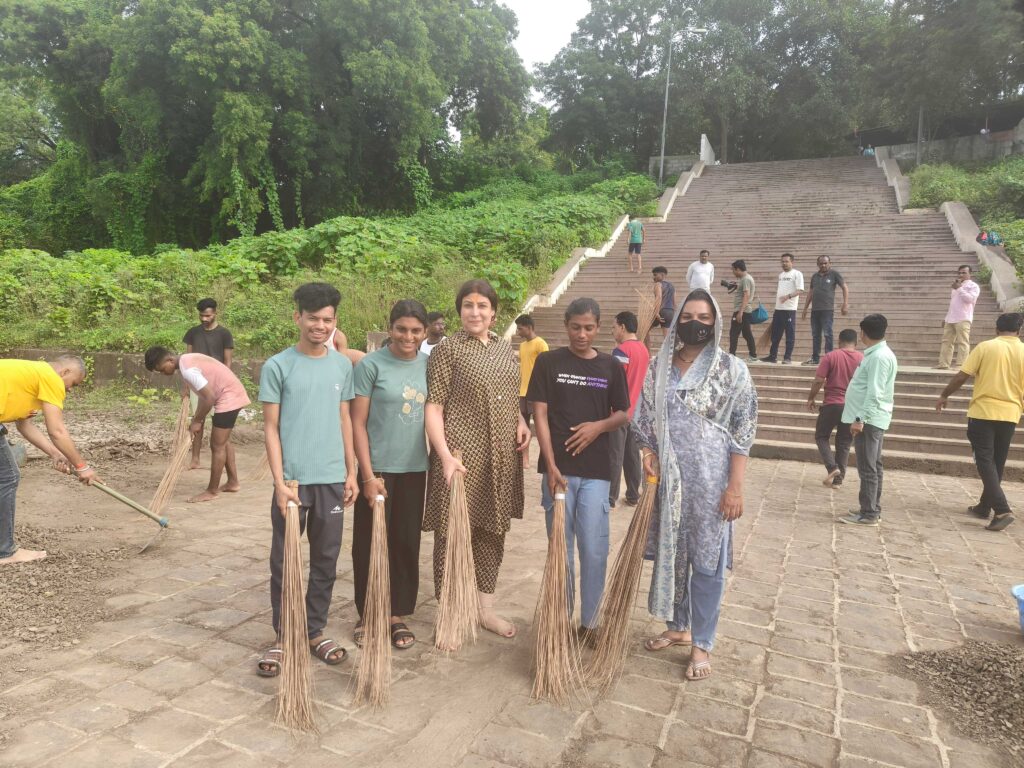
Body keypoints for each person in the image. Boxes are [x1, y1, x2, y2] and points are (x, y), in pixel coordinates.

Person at [634, 289, 758, 681]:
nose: (695, 324)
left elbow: (743, 431)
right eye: (687, 317)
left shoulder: (732, 370)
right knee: (673, 556)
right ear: (676, 322)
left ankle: (701, 643)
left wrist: (734, 487)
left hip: (711, 484)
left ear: (716, 323)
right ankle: (678, 626)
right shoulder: (659, 367)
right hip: (670, 483)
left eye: (704, 318)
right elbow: (644, 420)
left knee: (706, 564)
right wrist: (647, 451)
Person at [256, 282, 357, 676]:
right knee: (285, 561)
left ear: (335, 321)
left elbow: (345, 419)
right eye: (313, 318)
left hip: (332, 478)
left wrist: (351, 471)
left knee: (326, 559)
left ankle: (314, 632)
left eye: (327, 320)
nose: (320, 326)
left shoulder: (342, 365)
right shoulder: (278, 366)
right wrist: (279, 482)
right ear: (297, 317)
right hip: (293, 483)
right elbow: (270, 427)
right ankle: (284, 636)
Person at [425, 279, 530, 640]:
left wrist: (520, 421)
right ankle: (451, 614)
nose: (475, 312)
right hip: (460, 458)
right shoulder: (448, 350)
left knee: (491, 531)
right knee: (453, 534)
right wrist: (444, 457)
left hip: (499, 457)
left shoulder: (503, 347)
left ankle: (484, 610)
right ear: (459, 311)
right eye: (468, 305)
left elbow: (508, 395)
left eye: (482, 306)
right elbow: (434, 407)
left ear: (493, 312)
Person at [528, 298, 630, 645]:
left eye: (588, 328)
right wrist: (550, 464)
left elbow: (623, 413)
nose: (581, 334)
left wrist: (598, 427)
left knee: (593, 549)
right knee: (560, 550)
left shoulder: (610, 366)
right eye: (575, 327)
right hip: (558, 472)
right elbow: (540, 414)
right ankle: (561, 619)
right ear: (566, 325)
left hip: (596, 471)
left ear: (598, 327)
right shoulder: (548, 362)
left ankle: (591, 623)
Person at [351, 300, 430, 649]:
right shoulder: (370, 365)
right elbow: (356, 423)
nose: (407, 337)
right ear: (390, 328)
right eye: (401, 329)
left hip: (415, 467)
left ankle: (396, 613)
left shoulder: (430, 365)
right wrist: (367, 476)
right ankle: (369, 612)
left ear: (424, 332)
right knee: (369, 543)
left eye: (415, 331)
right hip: (378, 469)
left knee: (405, 542)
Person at [0, 356, 100, 565]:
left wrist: (55, 453)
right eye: (73, 384)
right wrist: (83, 466)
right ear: (65, 372)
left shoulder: (30, 379)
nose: (70, 390)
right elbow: (57, 431)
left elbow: (24, 425)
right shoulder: (51, 378)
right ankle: (5, 551)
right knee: (7, 477)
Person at [936, 313, 1024, 532]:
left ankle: (1002, 510)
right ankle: (985, 506)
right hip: (1010, 413)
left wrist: (944, 394)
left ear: (996, 329)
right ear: (1019, 331)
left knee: (984, 460)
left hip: (983, 412)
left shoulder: (986, 347)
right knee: (997, 462)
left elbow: (962, 375)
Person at [144, 347, 250, 503]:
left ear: (170, 360)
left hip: (229, 397)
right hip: (229, 393)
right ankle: (233, 482)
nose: (163, 373)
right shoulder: (187, 361)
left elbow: (210, 397)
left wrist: (197, 421)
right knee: (223, 442)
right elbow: (204, 395)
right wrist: (197, 418)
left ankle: (212, 491)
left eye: (162, 369)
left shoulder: (188, 370)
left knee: (217, 445)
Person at [840, 314, 897, 526]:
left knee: (868, 467)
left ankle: (869, 512)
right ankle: (871, 506)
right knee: (873, 465)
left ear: (863, 333)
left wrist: (859, 419)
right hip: (872, 418)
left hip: (869, 419)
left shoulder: (879, 357)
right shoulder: (878, 354)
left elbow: (874, 393)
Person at [805, 329, 863, 488]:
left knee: (821, 436)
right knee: (844, 443)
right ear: (856, 343)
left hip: (832, 404)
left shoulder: (831, 356)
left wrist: (811, 398)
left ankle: (832, 468)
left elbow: (819, 380)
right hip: (851, 407)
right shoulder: (862, 359)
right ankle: (838, 480)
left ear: (839, 341)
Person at [182, 298, 234, 470]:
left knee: (220, 424)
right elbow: (187, 360)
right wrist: (186, 386)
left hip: (217, 383)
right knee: (198, 420)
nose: (204, 319)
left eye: (208, 315)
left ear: (215, 313)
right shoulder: (193, 333)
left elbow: (227, 361)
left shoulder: (224, 334)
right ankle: (195, 459)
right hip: (197, 383)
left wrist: (224, 383)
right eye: (201, 315)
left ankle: (221, 462)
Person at [608, 310, 650, 507]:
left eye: (614, 327)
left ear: (622, 327)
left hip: (619, 412)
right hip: (636, 412)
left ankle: (610, 497)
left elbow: (614, 382)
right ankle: (633, 495)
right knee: (632, 455)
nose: (613, 331)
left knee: (614, 455)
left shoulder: (621, 351)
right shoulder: (643, 349)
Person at [801, 255, 849, 365]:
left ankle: (829, 358)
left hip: (827, 310)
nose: (823, 265)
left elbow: (845, 287)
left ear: (829, 263)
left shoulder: (834, 274)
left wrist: (845, 304)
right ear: (817, 264)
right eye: (821, 263)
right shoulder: (814, 276)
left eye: (825, 263)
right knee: (815, 335)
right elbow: (811, 292)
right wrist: (805, 308)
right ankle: (815, 358)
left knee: (828, 334)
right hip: (815, 310)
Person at [515, 314, 549, 467]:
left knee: (541, 425)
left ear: (529, 328)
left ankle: (546, 457)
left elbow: (546, 370)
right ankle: (525, 458)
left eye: (520, 328)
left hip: (536, 392)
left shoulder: (541, 344)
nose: (518, 332)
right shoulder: (522, 346)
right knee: (523, 427)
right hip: (522, 391)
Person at [936, 265, 980, 370]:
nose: (961, 275)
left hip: (963, 317)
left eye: (964, 272)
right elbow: (953, 303)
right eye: (959, 273)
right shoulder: (956, 286)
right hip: (951, 318)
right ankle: (943, 364)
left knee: (963, 342)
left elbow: (970, 299)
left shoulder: (973, 286)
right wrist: (946, 318)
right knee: (946, 341)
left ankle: (961, 365)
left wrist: (959, 288)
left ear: (970, 274)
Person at [763, 253, 804, 364]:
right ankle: (772, 356)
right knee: (775, 334)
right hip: (778, 309)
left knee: (789, 334)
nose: (784, 263)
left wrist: (787, 297)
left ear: (792, 262)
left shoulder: (797, 274)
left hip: (789, 310)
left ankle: (787, 357)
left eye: (786, 261)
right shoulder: (781, 275)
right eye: (782, 261)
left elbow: (800, 290)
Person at [727, 260, 757, 360]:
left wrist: (740, 312)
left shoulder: (746, 279)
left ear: (738, 269)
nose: (733, 272)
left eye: (733, 270)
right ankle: (753, 355)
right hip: (745, 310)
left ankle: (732, 355)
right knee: (747, 334)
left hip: (742, 310)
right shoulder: (745, 279)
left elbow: (746, 295)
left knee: (733, 333)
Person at [651, 266, 675, 334]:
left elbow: (658, 297)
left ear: (662, 275)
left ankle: (646, 342)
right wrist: (674, 313)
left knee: (645, 329)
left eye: (655, 275)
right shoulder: (672, 286)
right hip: (670, 311)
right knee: (666, 335)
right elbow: (674, 301)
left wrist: (656, 312)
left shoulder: (658, 284)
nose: (653, 277)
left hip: (661, 311)